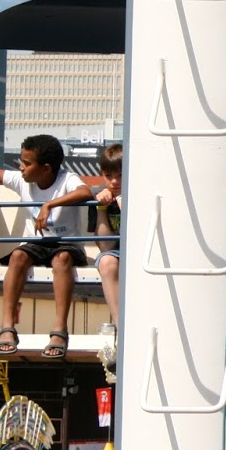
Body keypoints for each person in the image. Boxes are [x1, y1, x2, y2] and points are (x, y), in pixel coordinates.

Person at [0, 134, 95, 358]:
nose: (21, 167)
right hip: (36, 243)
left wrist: (49, 204)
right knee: (17, 256)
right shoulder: (22, 180)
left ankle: (59, 330)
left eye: (27, 163)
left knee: (62, 259)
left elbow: (85, 192)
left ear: (46, 168)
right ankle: (7, 327)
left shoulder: (66, 179)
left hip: (65, 244)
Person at [93, 143, 124, 372]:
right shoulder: (100, 198)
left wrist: (127, 206)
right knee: (107, 262)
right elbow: (105, 245)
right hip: (117, 252)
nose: (114, 182)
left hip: (140, 251)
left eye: (120, 175)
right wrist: (102, 210)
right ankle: (120, 328)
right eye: (108, 176)